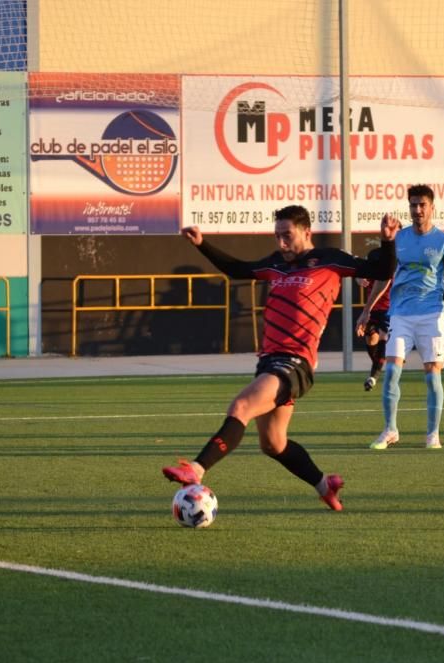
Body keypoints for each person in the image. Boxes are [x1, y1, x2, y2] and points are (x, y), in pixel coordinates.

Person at [164, 206, 399, 509]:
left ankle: (195, 469)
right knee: (273, 443)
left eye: (287, 235)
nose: (282, 243)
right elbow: (238, 270)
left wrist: (388, 241)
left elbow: (381, 272)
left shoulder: (329, 260)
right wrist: (201, 244)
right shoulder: (277, 264)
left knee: (241, 406)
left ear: (306, 232)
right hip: (270, 360)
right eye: (277, 236)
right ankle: (324, 484)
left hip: (296, 362)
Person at [366, 184, 444, 450]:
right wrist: (366, 311)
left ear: (432, 207)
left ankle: (432, 434)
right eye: (413, 205)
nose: (417, 210)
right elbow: (384, 277)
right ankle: (390, 430)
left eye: (422, 205)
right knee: (391, 372)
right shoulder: (399, 239)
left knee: (433, 374)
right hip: (401, 315)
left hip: (432, 315)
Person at [355, 251, 390, 391]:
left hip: (389, 310)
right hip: (371, 310)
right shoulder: (369, 269)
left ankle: (373, 377)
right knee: (370, 338)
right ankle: (379, 363)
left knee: (383, 335)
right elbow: (357, 274)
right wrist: (359, 280)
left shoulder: (390, 271)